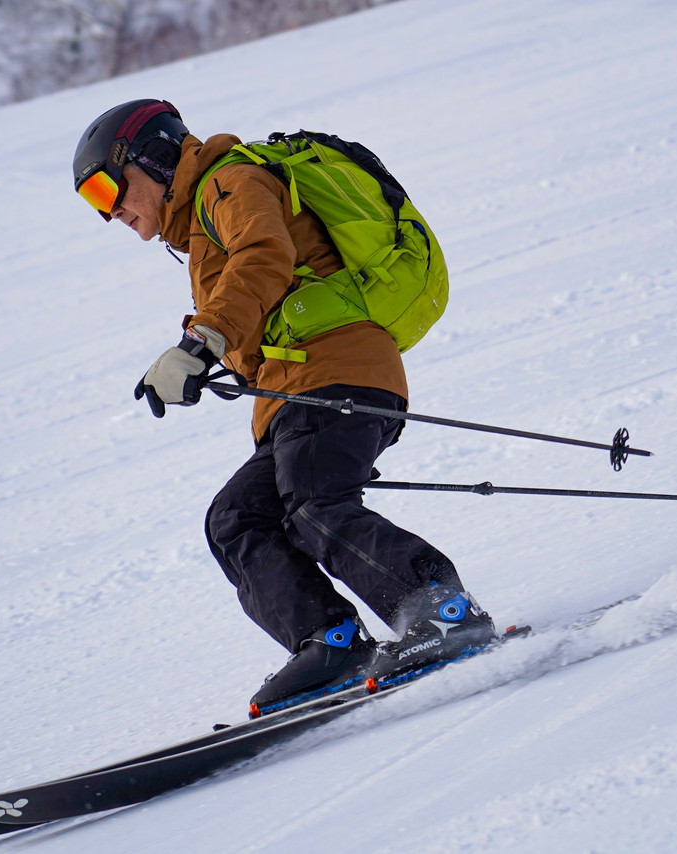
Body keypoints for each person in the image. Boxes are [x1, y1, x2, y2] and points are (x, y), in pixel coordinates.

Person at [72, 99, 497, 710]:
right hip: (295, 391)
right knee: (236, 519)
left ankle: (442, 609)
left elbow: (263, 258)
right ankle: (330, 642)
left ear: (155, 159)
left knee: (315, 507)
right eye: (95, 203)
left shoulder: (230, 180)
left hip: (338, 370)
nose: (112, 212)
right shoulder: (199, 229)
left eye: (108, 188)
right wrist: (210, 355)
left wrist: (198, 344)